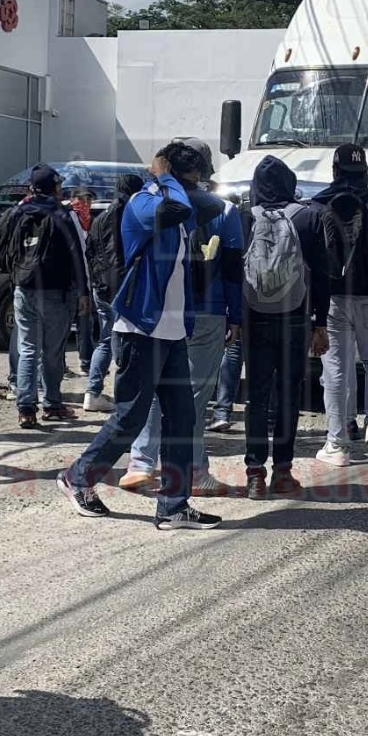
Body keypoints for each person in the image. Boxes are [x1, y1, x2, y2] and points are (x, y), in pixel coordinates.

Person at [58, 142, 221, 530]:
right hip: (139, 329)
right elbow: (177, 206)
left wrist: (183, 183)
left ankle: (173, 506)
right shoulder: (144, 201)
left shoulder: (180, 205)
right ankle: (78, 477)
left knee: (182, 419)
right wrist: (164, 176)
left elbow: (212, 206)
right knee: (130, 417)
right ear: (172, 175)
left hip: (172, 332)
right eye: (192, 178)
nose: (196, 186)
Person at [121, 139, 244, 496]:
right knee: (194, 398)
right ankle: (194, 471)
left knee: (155, 390)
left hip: (162, 310)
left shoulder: (152, 204)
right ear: (204, 170)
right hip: (208, 312)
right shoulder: (224, 209)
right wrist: (236, 316)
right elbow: (233, 270)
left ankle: (140, 463)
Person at [242, 155, 331, 498]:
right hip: (296, 317)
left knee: (257, 396)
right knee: (289, 394)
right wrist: (320, 323)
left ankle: (254, 474)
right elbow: (321, 274)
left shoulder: (245, 216)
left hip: (254, 317)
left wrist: (234, 318)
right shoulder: (308, 217)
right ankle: (282, 472)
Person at [312, 143, 368, 466]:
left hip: (333, 298)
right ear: (364, 172)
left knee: (335, 367)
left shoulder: (318, 204)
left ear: (335, 171)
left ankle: (337, 444)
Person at [0, 164, 88, 429]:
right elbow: (78, 255)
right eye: (59, 184)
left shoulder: (16, 211)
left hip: (23, 288)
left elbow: (0, 250)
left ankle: (26, 409)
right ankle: (53, 405)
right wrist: (84, 292)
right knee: (52, 352)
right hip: (56, 291)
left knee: (27, 349)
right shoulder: (63, 214)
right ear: (54, 187)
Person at [84, 173, 144, 412]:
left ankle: (93, 392)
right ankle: (123, 395)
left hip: (100, 286)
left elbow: (90, 253)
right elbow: (116, 256)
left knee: (106, 340)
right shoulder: (125, 215)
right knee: (121, 340)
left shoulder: (100, 217)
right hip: (118, 288)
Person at [69, 187, 98, 375]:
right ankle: (60, 364)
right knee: (63, 325)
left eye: (89, 200)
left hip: (88, 279)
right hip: (70, 280)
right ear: (73, 200)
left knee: (86, 322)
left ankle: (86, 361)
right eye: (82, 200)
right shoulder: (68, 219)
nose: (86, 204)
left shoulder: (93, 222)